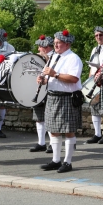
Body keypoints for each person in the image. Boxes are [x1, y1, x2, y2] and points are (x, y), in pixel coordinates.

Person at [39, 30, 83, 173]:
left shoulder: (73, 58)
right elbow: (52, 78)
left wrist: (55, 74)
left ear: (67, 44)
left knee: (69, 131)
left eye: (59, 43)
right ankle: (56, 160)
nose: (56, 45)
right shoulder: (54, 57)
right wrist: (44, 80)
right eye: (55, 42)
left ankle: (68, 162)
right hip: (53, 96)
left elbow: (73, 79)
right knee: (53, 131)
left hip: (67, 98)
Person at [30, 35, 54, 153]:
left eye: (40, 46)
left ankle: (52, 144)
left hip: (50, 89)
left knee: (49, 117)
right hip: (39, 89)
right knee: (39, 117)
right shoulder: (37, 57)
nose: (38, 49)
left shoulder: (55, 57)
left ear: (46, 47)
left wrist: (45, 59)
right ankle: (41, 143)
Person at [85, 26, 103, 144]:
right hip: (94, 82)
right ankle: (97, 134)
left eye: (100, 35)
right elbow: (92, 66)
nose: (98, 37)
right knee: (94, 107)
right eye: (96, 35)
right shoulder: (94, 49)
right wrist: (89, 79)